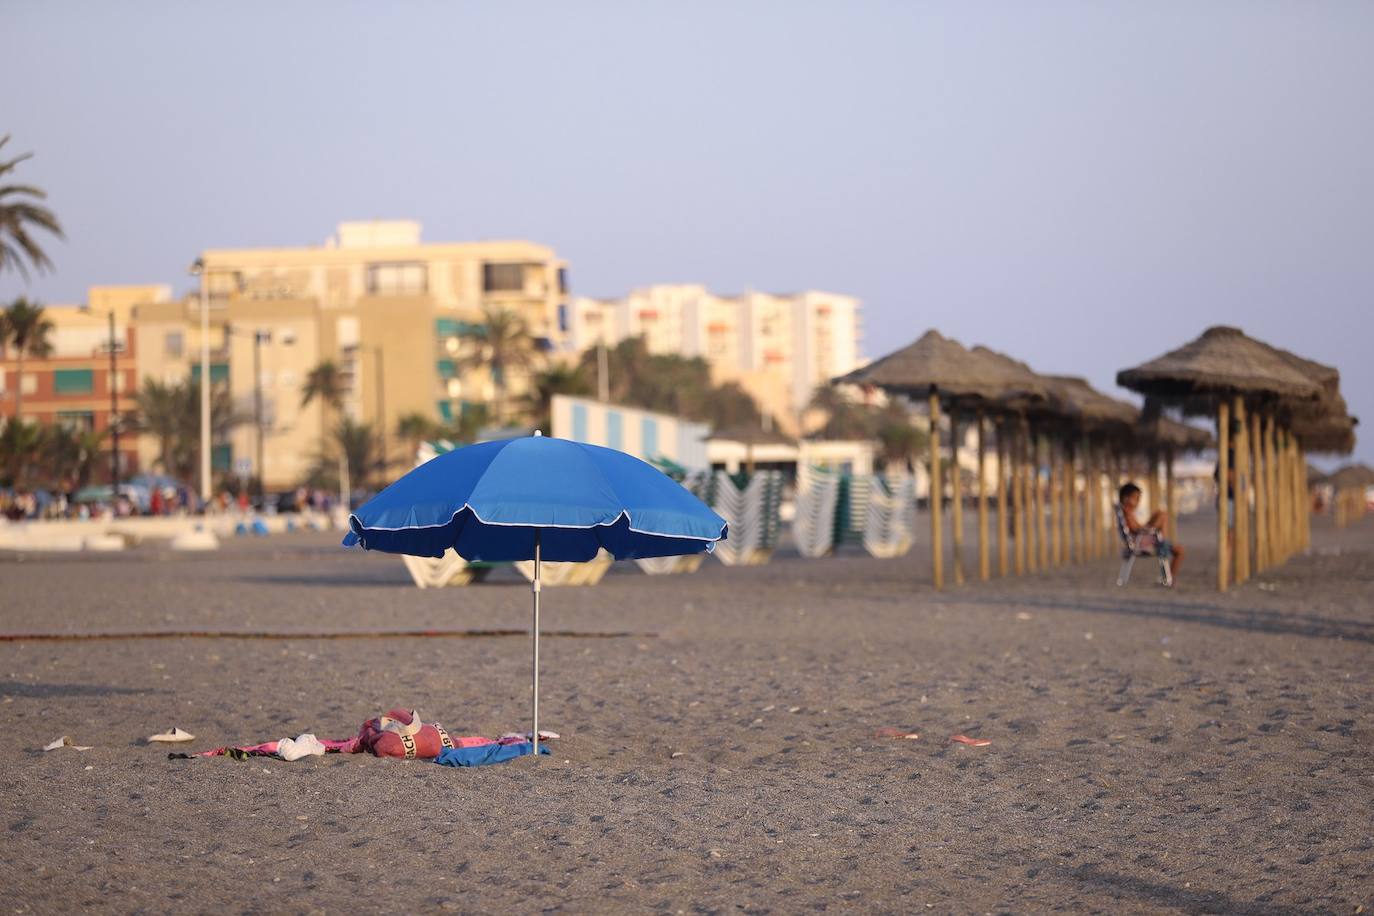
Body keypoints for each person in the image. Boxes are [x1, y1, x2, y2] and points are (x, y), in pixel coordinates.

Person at [1119, 482, 1184, 582]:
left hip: (1139, 538)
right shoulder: (1127, 513)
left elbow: (1136, 528)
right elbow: (1135, 529)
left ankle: (1164, 542)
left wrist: (1149, 525)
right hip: (1140, 541)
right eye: (1135, 499)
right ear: (1126, 498)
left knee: (1160, 513)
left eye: (1138, 499)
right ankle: (1169, 576)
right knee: (1179, 551)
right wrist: (1151, 529)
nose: (1138, 502)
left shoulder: (1126, 512)